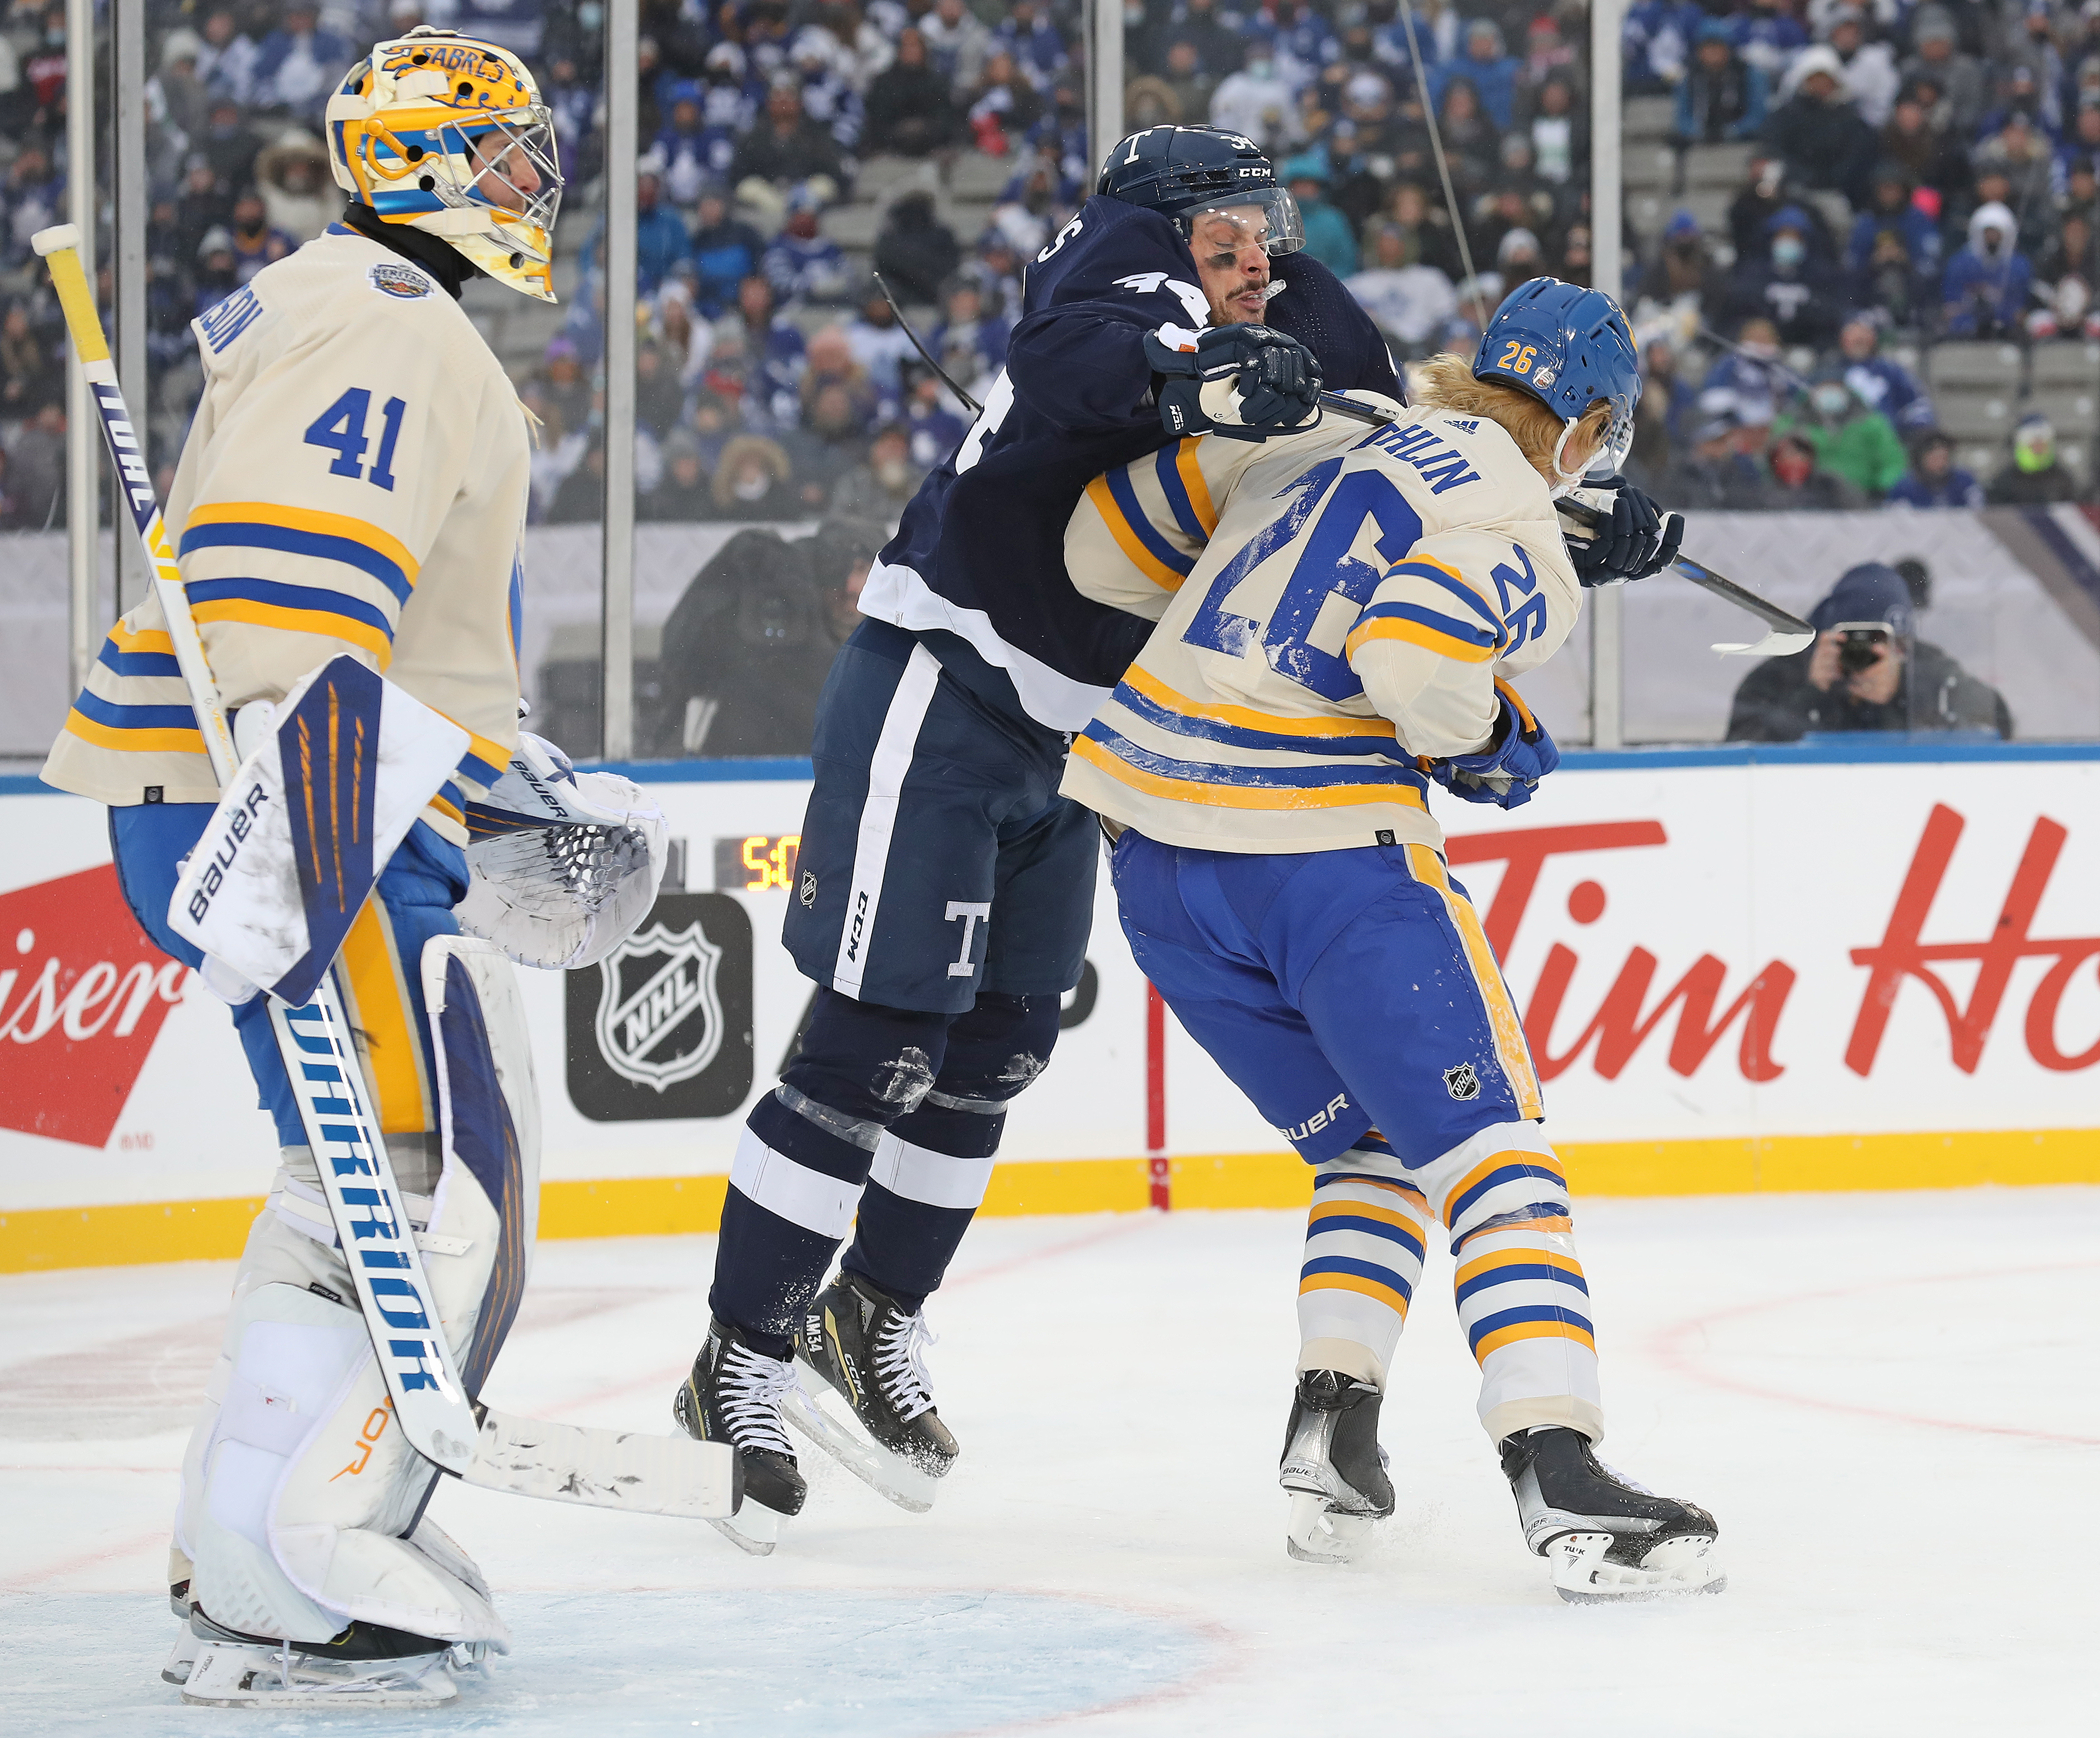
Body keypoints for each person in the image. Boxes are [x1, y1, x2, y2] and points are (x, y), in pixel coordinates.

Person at [668, 126, 1407, 1554]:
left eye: (1272, 223)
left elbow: (1382, 420)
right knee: (876, 1041)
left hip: (1072, 738)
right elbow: (1079, 350)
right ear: (1167, 221)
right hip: (945, 688)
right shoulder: (1117, 268)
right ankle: (738, 1359)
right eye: (1230, 225)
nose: (1259, 247)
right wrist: (1190, 370)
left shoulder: (1264, 297)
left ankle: (869, 1311)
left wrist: (1538, 497)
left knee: (999, 1044)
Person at [36, 25, 589, 1707]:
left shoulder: (354, 305)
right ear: (416, 162)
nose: (526, 184)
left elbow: (385, 632)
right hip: (298, 790)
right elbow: (290, 595)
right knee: (412, 1175)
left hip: (301, 781)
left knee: (374, 1168)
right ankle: (297, 1551)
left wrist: (512, 768)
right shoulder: (397, 318)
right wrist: (319, 812)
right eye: (498, 154)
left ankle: (253, 1530)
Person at [1059, 279, 1719, 1596]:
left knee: (1367, 1143)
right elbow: (1413, 660)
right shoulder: (1518, 521)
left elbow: (1101, 548)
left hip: (1152, 863)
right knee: (1493, 1152)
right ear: (1588, 425)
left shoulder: (1330, 424)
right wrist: (1484, 735)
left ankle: (1332, 1425)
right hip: (1321, 861)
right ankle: (1557, 1467)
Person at [1726, 561, 2013, 739]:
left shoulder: (1924, 668)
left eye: (1881, 639)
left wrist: (1901, 693)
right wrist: (1812, 696)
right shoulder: (1784, 675)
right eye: (1850, 638)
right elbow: (1740, 756)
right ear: (1829, 635)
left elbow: (1996, 723)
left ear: (1902, 645)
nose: (1863, 652)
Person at [1987, 411, 2083, 503]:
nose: (2038, 448)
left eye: (2043, 443)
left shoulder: (2063, 480)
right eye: (2033, 443)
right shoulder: (2004, 483)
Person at [1886, 429, 1984, 507]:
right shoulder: (1905, 488)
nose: (1941, 463)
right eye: (1935, 458)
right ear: (1921, 459)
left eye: (1944, 458)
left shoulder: (1965, 481)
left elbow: (1979, 510)